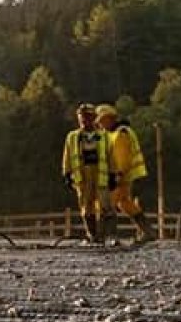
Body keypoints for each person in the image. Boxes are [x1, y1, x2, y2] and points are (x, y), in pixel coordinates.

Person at [96, 104, 156, 243]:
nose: (99, 124)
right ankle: (148, 231)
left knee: (107, 204)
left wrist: (118, 175)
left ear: (109, 119)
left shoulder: (120, 133)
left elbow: (122, 157)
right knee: (124, 203)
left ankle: (105, 236)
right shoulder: (112, 134)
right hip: (123, 176)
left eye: (100, 120)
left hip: (121, 176)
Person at [61, 103, 110, 243]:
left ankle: (103, 235)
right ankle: (92, 235)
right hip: (82, 177)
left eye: (87, 117)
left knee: (104, 206)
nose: (84, 120)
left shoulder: (103, 136)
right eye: (81, 117)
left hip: (100, 175)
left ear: (94, 118)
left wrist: (113, 174)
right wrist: (67, 174)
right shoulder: (72, 137)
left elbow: (109, 156)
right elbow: (67, 156)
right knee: (86, 206)